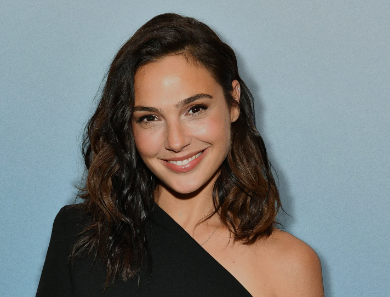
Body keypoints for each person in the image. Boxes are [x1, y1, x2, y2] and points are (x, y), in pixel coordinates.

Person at [37, 13, 324, 297]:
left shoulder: (291, 265)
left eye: (195, 109)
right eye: (150, 118)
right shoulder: (80, 235)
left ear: (233, 100)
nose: (176, 141)